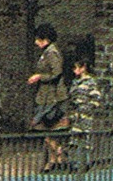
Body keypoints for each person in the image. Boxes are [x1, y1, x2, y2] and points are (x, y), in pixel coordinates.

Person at [27, 24, 70, 171]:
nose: (36, 42)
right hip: (45, 96)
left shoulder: (52, 53)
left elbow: (56, 73)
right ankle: (55, 158)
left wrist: (40, 77)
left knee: (47, 127)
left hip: (52, 97)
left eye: (38, 39)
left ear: (44, 39)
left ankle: (57, 156)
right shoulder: (46, 52)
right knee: (46, 130)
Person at [65, 56, 104, 171]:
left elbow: (96, 98)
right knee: (74, 139)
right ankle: (74, 163)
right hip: (75, 114)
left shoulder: (91, 82)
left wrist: (88, 108)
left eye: (76, 68)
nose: (74, 70)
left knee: (86, 139)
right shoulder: (75, 82)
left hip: (86, 114)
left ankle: (85, 163)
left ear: (83, 68)